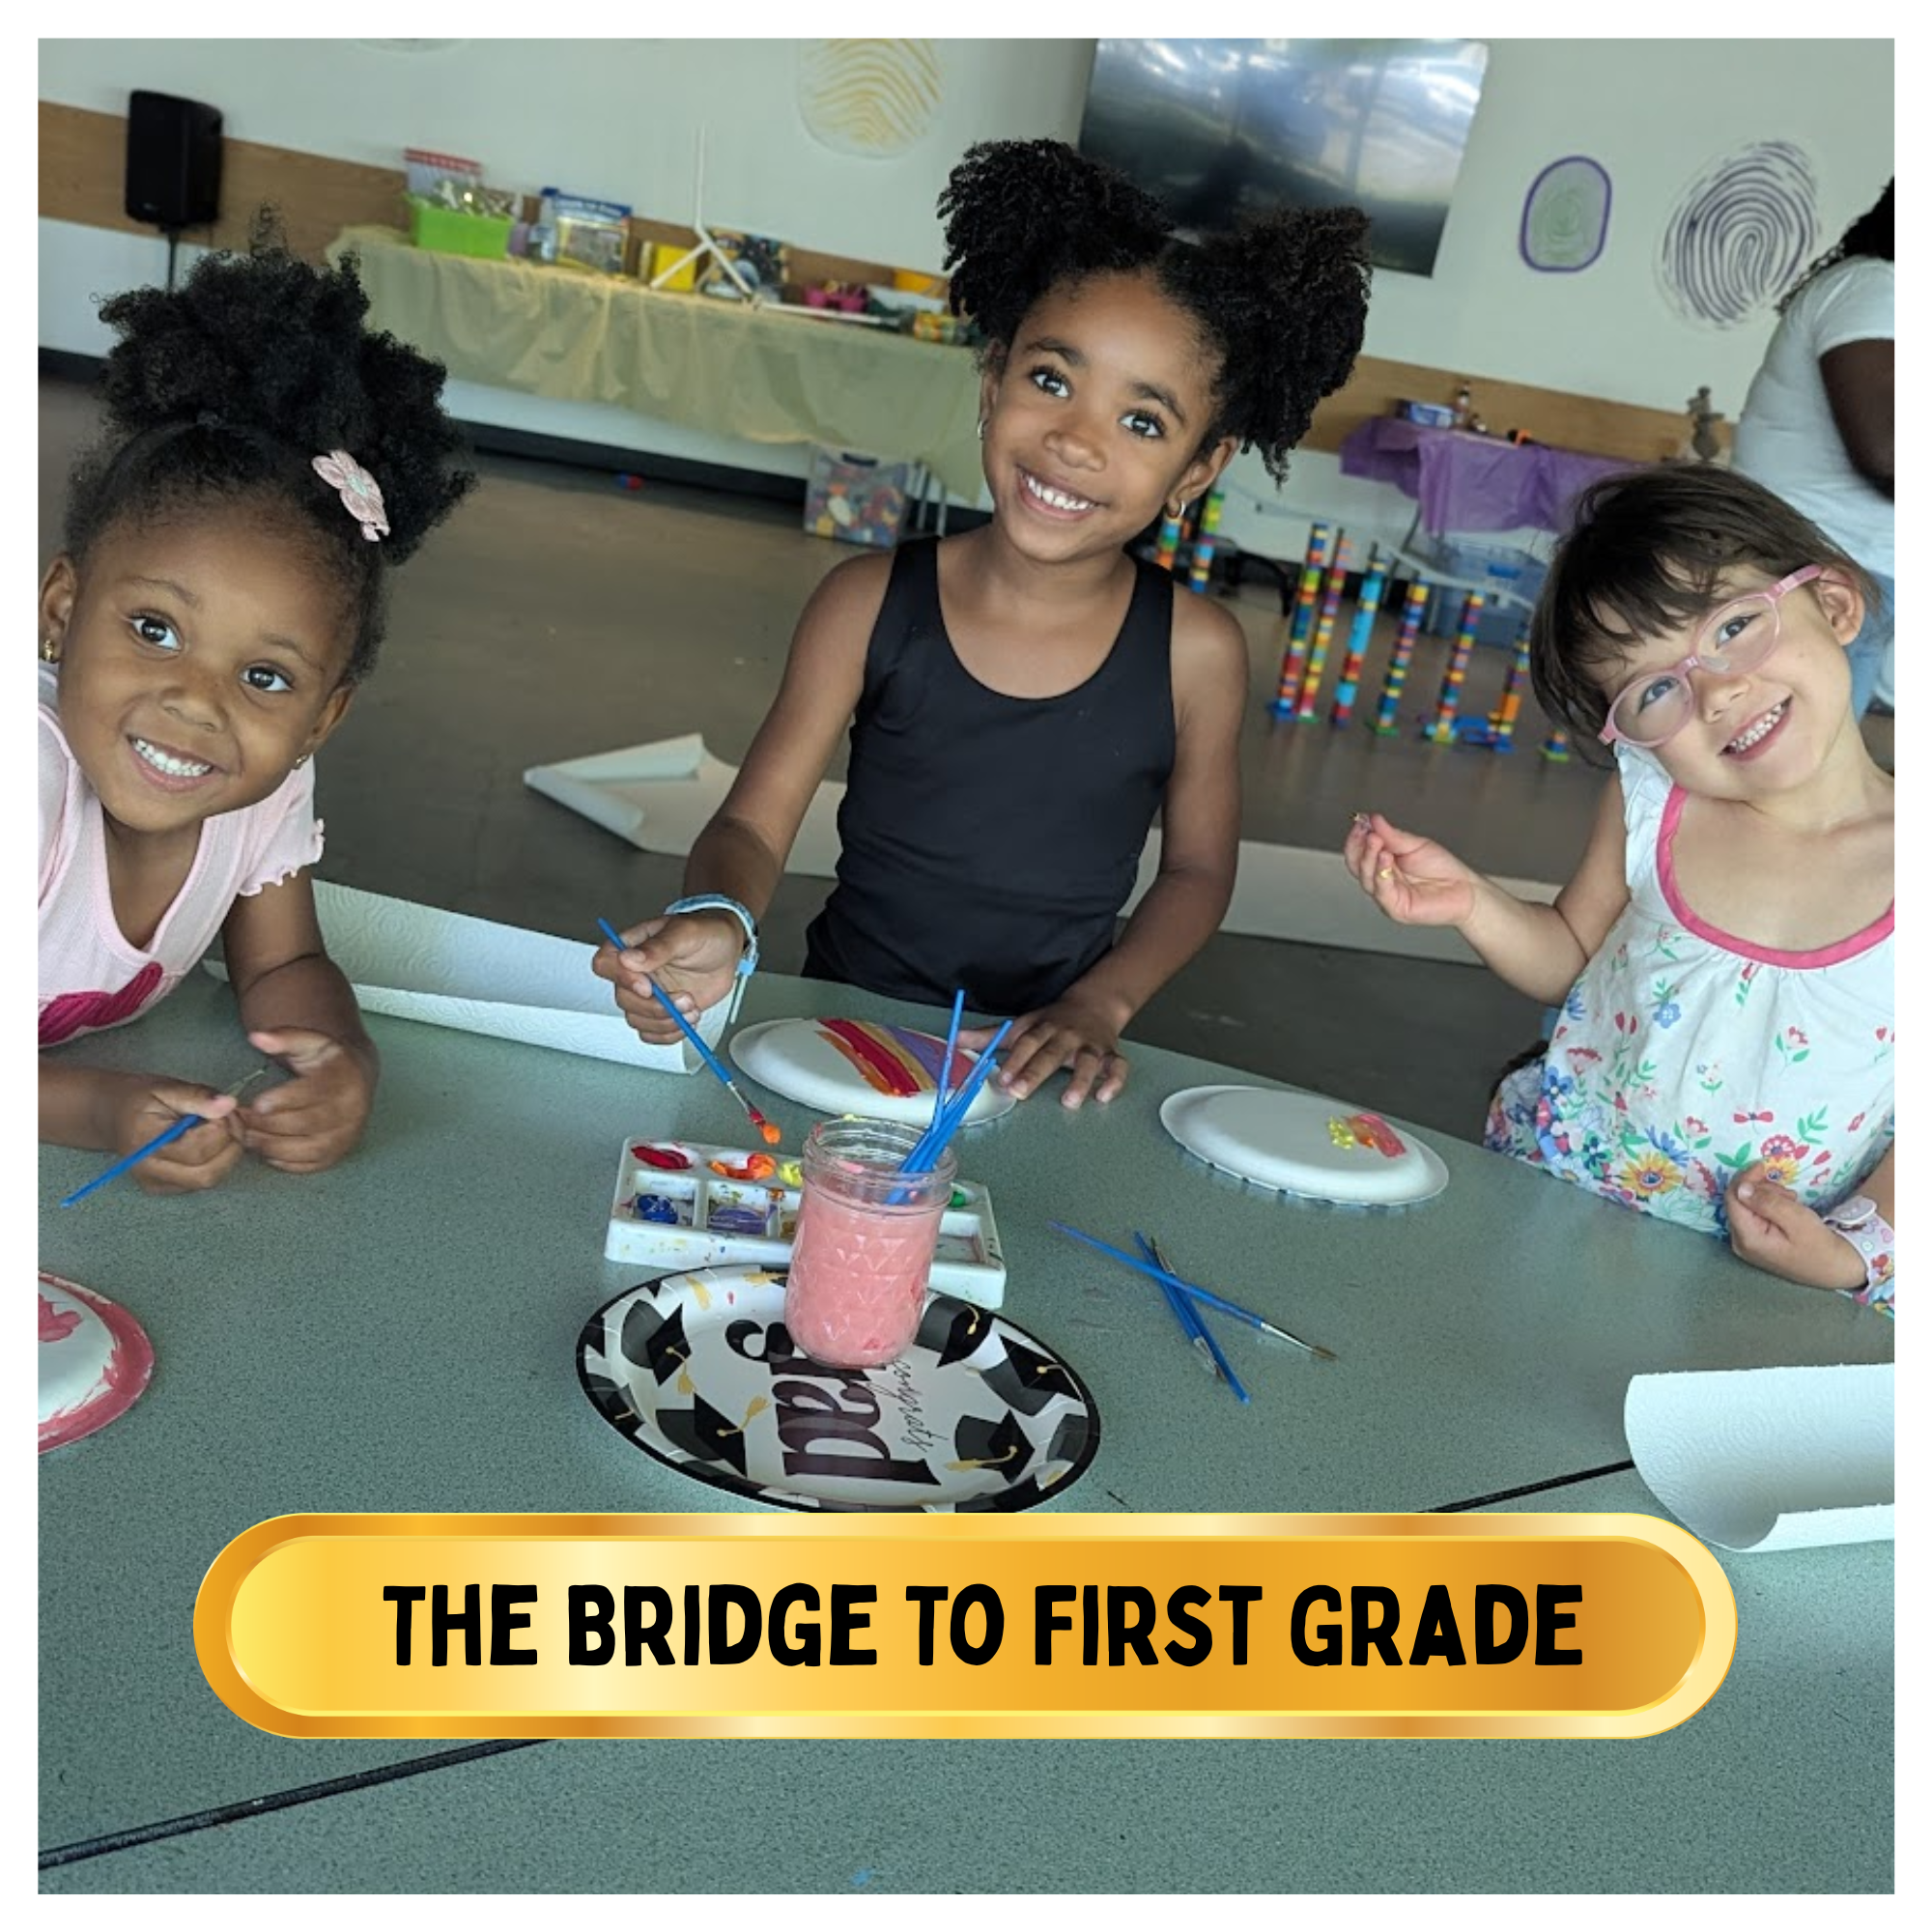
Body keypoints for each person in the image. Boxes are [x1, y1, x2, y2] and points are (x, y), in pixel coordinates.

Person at [598, 138, 1371, 1106]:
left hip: (1040, 1067)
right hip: (838, 1038)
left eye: (1141, 422)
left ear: (1196, 470)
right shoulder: (865, 601)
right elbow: (753, 821)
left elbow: (1198, 870)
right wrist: (717, 916)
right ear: (991, 381)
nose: (1074, 441)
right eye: (1051, 380)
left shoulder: (1195, 652)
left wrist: (1101, 1003)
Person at [1344, 468, 1893, 1311]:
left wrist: (1846, 1256)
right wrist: (1472, 904)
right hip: (1560, 1208)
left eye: (1736, 626)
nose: (1717, 692)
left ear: (1835, 606)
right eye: (1656, 689)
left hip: (1767, 1282)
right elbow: (1574, 958)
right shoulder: (1655, 802)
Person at [39, 224, 474, 1190]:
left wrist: (342, 1059)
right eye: (153, 627)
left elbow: (281, 967)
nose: (196, 701)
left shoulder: (259, 787)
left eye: (266, 678)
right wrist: (95, 1106)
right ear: (60, 613)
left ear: (321, 719)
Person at [1731, 179, 1892, 717]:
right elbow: (1888, 453)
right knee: (1792, 781)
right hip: (1815, 565)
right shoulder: (1878, 288)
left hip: (1847, 573)